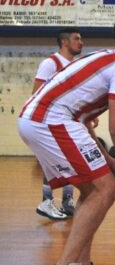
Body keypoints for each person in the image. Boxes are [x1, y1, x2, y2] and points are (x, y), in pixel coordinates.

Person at [18, 13, 115, 265]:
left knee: (93, 190)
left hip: (49, 119)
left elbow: (81, 115)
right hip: (49, 120)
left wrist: (105, 157)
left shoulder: (109, 59)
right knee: (107, 190)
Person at [32, 28, 84, 220]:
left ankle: (67, 201)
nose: (81, 42)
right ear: (64, 42)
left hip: (67, 120)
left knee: (70, 161)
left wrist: (84, 115)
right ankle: (46, 201)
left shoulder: (75, 65)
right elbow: (36, 93)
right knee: (54, 161)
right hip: (47, 121)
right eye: (77, 39)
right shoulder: (50, 63)